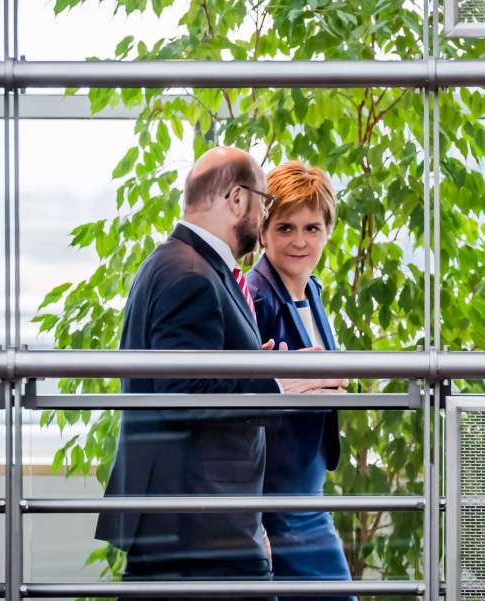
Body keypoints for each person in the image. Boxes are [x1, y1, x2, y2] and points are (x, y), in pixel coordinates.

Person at [94, 148, 348, 598]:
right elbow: (185, 390)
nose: (265, 215)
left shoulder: (179, 263)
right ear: (236, 199)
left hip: (194, 520)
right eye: (264, 204)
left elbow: (192, 373)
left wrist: (258, 367)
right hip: (199, 523)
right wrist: (274, 382)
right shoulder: (189, 275)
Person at [246, 161, 354, 601]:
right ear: (264, 231)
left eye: (312, 228)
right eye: (286, 228)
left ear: (328, 229)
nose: (300, 241)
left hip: (307, 492)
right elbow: (242, 401)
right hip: (274, 497)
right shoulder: (255, 295)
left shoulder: (312, 291)